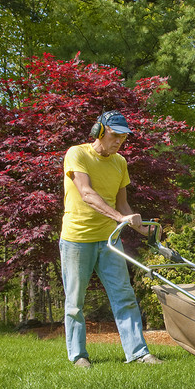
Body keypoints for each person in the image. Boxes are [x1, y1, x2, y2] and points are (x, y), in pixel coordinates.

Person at [59, 110, 162, 368]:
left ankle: (138, 353)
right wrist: (119, 218)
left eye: (123, 137)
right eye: (115, 135)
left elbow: (123, 206)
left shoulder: (120, 163)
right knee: (75, 302)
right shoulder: (77, 154)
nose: (119, 142)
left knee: (124, 295)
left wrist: (148, 232)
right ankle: (79, 356)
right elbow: (86, 193)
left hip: (109, 241)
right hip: (77, 239)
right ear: (100, 132)